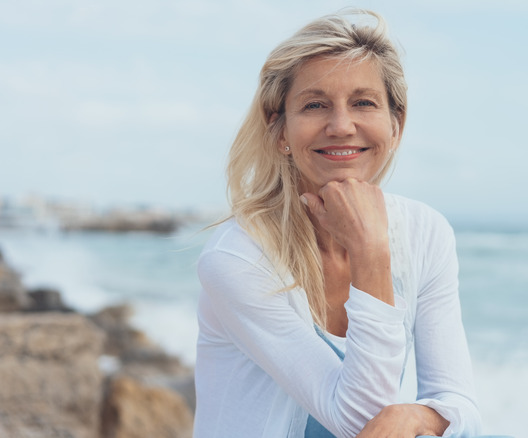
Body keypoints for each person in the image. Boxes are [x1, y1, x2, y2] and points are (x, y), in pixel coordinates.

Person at [194, 9, 483, 438]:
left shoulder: (426, 231)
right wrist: (370, 252)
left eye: (364, 103)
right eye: (315, 105)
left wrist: (419, 415)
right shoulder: (238, 256)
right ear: (280, 132)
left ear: (395, 125)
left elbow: (463, 408)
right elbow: (356, 420)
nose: (342, 126)